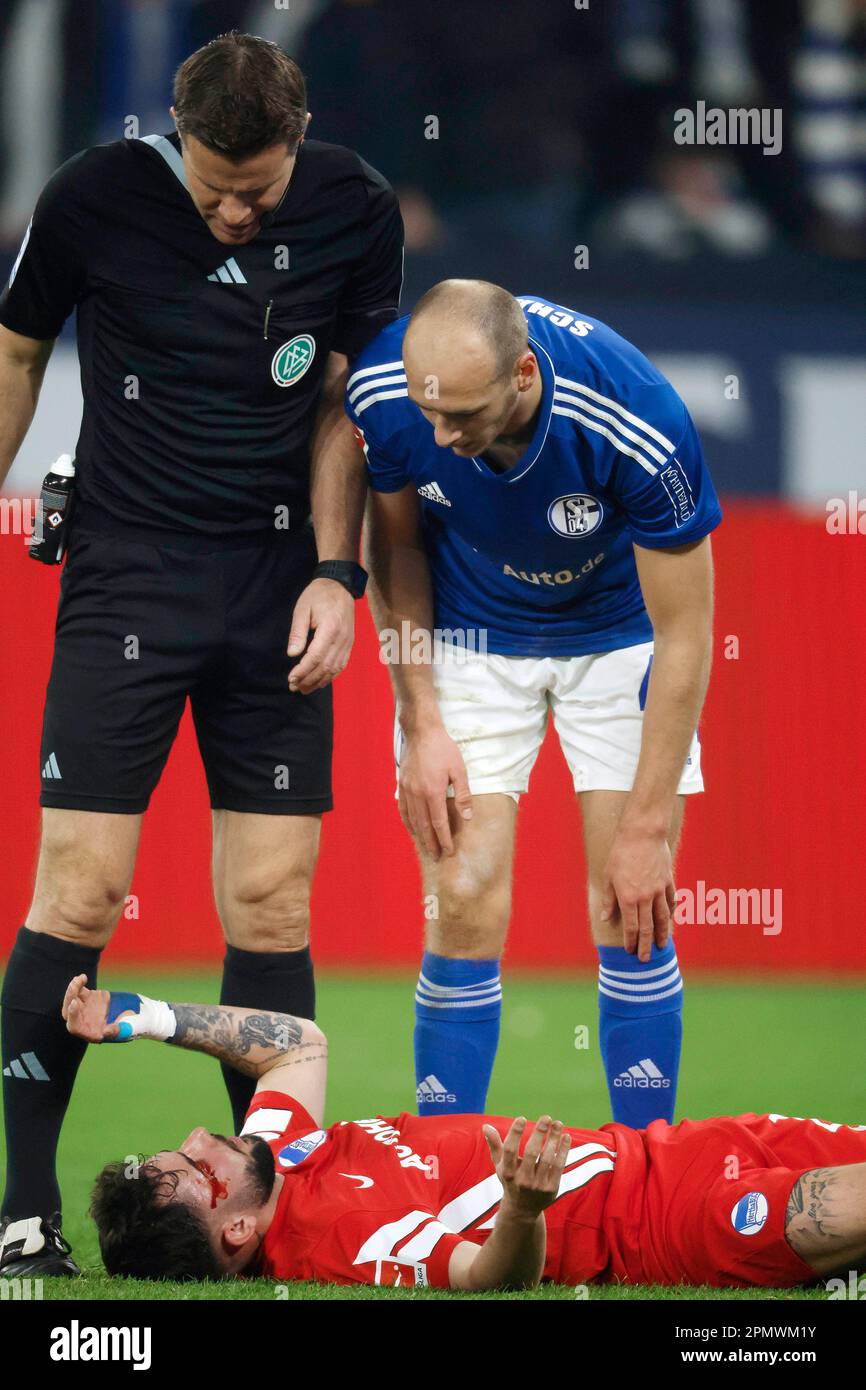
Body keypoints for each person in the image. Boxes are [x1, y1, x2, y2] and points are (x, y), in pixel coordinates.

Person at [0, 32, 403, 1275]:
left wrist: (339, 574)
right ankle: (23, 1209)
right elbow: (18, 349)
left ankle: (274, 1225)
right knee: (77, 889)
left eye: (259, 189)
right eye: (212, 182)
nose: (234, 210)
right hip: (125, 572)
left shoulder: (354, 205)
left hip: (277, 586)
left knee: (273, 898)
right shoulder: (89, 197)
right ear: (174, 131)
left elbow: (344, 400)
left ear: (301, 141)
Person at [348, 280, 719, 1124]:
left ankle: (641, 1175)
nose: (442, 437)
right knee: (463, 900)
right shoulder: (386, 392)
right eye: (430, 415)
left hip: (621, 635)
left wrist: (647, 825)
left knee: (630, 910)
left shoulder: (637, 417)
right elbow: (397, 547)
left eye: (465, 418)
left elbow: (686, 635)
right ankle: (441, 1174)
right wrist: (421, 721)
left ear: (523, 373)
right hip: (471, 635)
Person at [9, 973, 863, 1293]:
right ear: (235, 1230)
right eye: (197, 1166)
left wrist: (147, 1017)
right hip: (667, 1226)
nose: (203, 1134)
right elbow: (481, 1279)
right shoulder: (336, 1236)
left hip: (688, 1146)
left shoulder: (287, 1156)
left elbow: (296, 1044)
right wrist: (526, 1212)